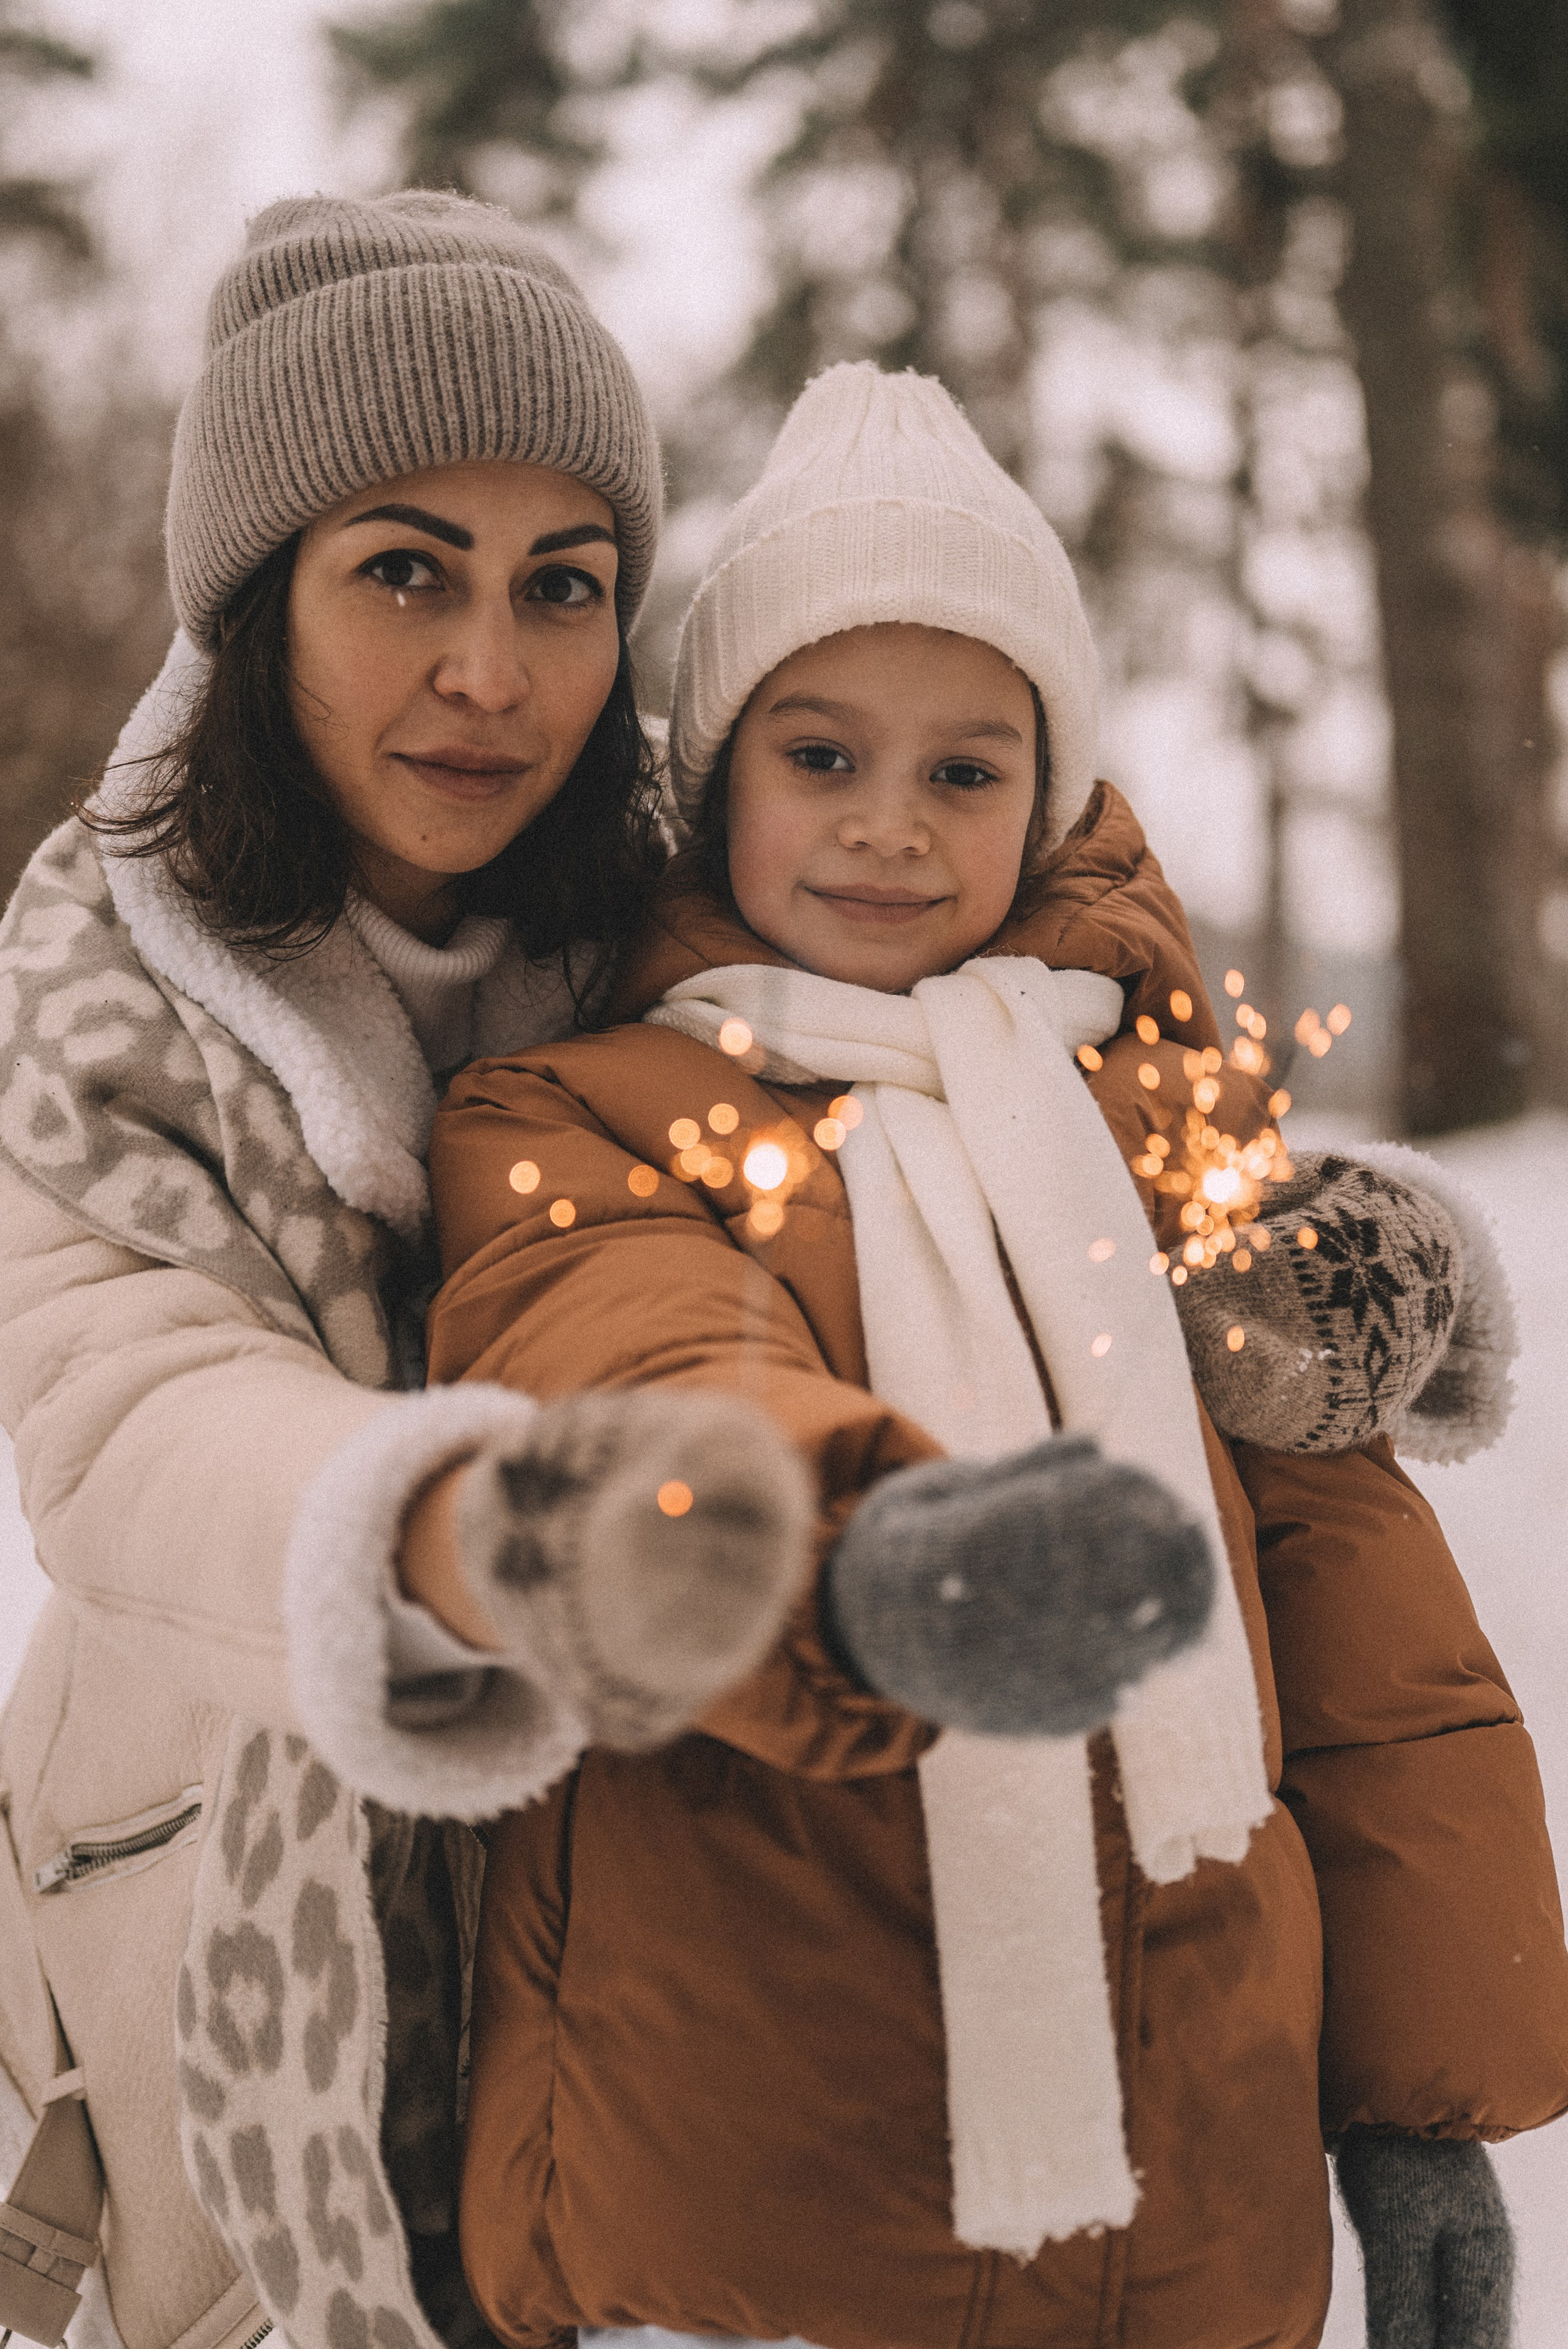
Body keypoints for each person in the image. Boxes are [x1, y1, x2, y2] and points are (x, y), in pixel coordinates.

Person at [419, 365, 1568, 2349]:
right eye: (822, 753)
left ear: (1045, 794)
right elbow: (643, 1352)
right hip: (745, 2194)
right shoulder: (581, 1114)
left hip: (1192, 2177)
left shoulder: (1162, 1135)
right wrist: (862, 1539)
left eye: (965, 770)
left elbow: (1364, 1618)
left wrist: (1415, 2107)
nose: (890, 826)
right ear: (718, 779)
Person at [0, 189, 824, 2349]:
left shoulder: (718, 923)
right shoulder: (99, 986)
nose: (494, 672)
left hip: (650, 1960)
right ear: (260, 605)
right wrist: (458, 1532)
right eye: (404, 574)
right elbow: (124, 1412)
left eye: (566, 587)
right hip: (206, 1947)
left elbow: (1013, 947)